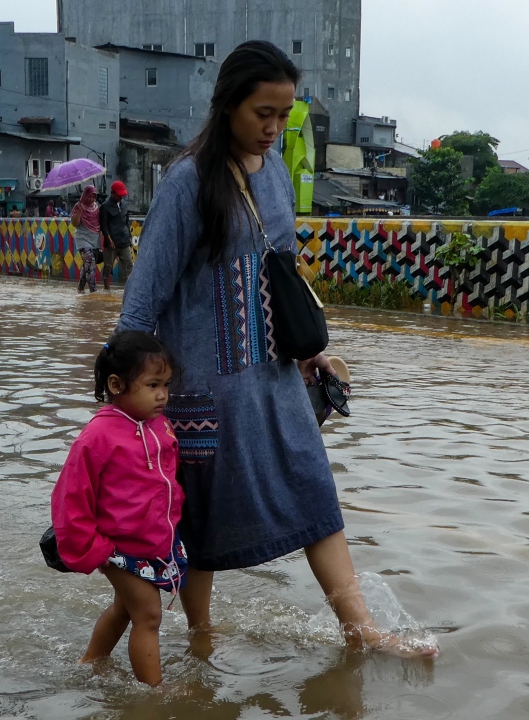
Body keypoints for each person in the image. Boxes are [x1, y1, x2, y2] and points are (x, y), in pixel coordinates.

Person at [116, 40, 437, 659]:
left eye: (284, 115)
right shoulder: (187, 184)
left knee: (315, 491)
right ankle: (199, 640)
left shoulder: (280, 179)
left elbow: (282, 274)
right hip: (202, 391)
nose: (273, 127)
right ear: (229, 105)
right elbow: (141, 303)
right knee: (202, 526)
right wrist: (125, 410)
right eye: (263, 112)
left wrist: (311, 352)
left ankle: (360, 631)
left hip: (276, 377)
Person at [51, 331, 185, 686]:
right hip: (118, 547)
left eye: (166, 384)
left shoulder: (160, 426)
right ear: (116, 384)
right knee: (149, 615)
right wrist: (94, 549)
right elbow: (70, 499)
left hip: (152, 541)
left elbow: (166, 483)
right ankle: (154, 696)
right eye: (152, 384)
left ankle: (90, 662)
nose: (162, 394)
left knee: (126, 610)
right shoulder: (97, 437)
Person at [100, 180, 134, 289]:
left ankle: (131, 288)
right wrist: (109, 241)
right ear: (113, 193)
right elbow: (104, 226)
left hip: (124, 241)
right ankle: (106, 289)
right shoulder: (105, 207)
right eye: (119, 195)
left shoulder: (124, 205)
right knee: (108, 266)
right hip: (111, 242)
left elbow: (126, 222)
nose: (121, 197)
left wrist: (129, 236)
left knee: (129, 265)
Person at [71, 185, 101, 293]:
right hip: (82, 239)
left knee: (87, 265)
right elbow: (75, 223)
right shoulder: (78, 206)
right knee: (90, 263)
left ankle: (80, 289)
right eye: (89, 196)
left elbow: (99, 223)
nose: (91, 199)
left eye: (94, 197)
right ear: (85, 195)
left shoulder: (96, 207)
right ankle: (93, 291)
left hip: (94, 238)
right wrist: (79, 211)